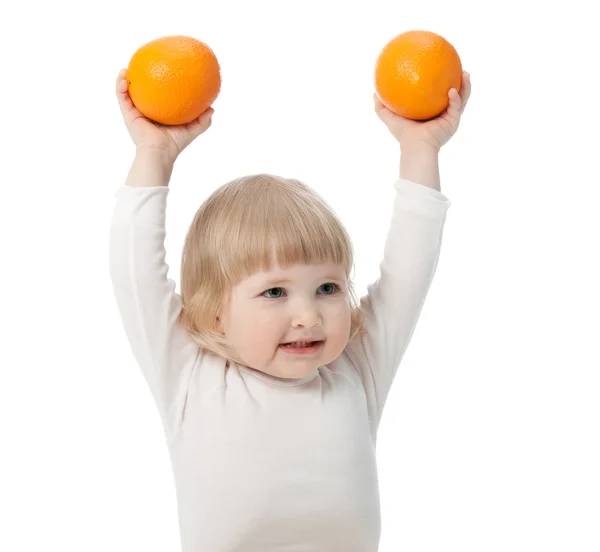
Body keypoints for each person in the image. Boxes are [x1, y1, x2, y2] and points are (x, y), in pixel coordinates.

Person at [111, 67, 471, 551]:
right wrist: (153, 154)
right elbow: (135, 270)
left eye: (327, 287)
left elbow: (410, 268)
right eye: (274, 293)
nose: (308, 315)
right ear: (214, 313)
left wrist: (420, 149)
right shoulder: (190, 376)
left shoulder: (354, 370)